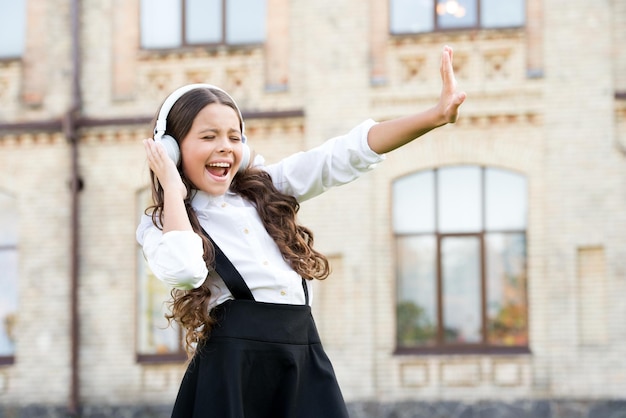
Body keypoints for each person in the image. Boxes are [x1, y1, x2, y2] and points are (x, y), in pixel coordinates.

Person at [136, 45, 466, 418]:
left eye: (234, 137)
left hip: (302, 356)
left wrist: (434, 117)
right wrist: (172, 190)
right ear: (172, 149)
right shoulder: (163, 223)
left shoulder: (265, 188)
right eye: (208, 137)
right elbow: (184, 270)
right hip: (233, 373)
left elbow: (341, 156)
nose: (225, 148)